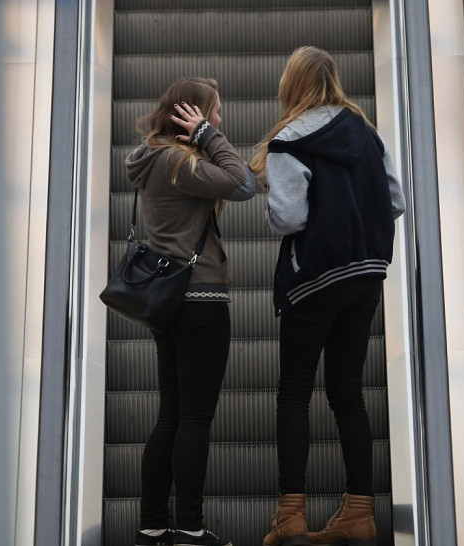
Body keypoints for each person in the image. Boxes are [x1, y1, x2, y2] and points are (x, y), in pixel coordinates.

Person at [250, 47, 406, 546]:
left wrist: (272, 213)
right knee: (347, 392)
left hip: (315, 279)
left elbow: (290, 218)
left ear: (291, 84)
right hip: (366, 276)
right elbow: (396, 200)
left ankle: (291, 516)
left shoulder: (289, 140)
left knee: (295, 391)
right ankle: (359, 512)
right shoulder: (367, 132)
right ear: (333, 79)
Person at [125, 77, 256, 546]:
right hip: (199, 300)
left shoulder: (153, 159)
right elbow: (245, 184)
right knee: (195, 417)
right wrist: (207, 137)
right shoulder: (181, 161)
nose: (219, 121)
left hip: (166, 301)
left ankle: (153, 523)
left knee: (171, 414)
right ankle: (190, 529)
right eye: (213, 112)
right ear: (193, 114)